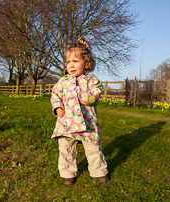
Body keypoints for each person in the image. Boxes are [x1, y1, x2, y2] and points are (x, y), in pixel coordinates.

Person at [51, 37, 108, 186]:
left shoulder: (92, 81)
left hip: (87, 124)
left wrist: (80, 93)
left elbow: (93, 97)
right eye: (68, 62)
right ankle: (68, 174)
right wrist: (57, 107)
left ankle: (99, 171)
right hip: (66, 124)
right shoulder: (63, 81)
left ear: (86, 63)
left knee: (93, 149)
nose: (71, 65)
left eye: (75, 61)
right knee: (66, 150)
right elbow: (55, 94)